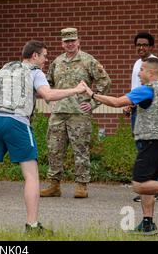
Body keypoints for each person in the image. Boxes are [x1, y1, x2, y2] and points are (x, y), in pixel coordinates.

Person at [0, 40, 86, 234]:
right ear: (34, 56)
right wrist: (76, 89)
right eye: (44, 56)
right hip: (17, 122)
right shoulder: (35, 72)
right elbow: (47, 95)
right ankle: (32, 225)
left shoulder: (5, 69)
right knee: (31, 175)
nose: (46, 60)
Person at [82, 57, 158, 235]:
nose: (138, 73)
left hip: (151, 142)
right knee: (149, 182)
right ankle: (148, 223)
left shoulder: (146, 90)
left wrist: (92, 94)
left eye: (141, 70)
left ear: (150, 73)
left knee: (139, 185)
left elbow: (117, 102)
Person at [40, 28, 111, 198]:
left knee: (80, 150)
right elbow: (46, 83)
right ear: (62, 43)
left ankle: (81, 185)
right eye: (66, 41)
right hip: (58, 114)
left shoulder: (88, 61)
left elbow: (105, 82)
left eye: (73, 41)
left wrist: (93, 102)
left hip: (79, 114)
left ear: (79, 41)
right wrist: (50, 99)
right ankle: (54, 184)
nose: (70, 44)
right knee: (54, 149)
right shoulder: (57, 62)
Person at [124, 32, 158, 203]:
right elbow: (136, 88)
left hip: (150, 112)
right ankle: (148, 188)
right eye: (138, 45)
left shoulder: (155, 64)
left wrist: (133, 102)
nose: (141, 47)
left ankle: (155, 189)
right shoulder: (137, 63)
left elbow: (154, 88)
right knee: (142, 149)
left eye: (144, 45)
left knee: (150, 150)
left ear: (151, 47)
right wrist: (129, 103)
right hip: (137, 111)